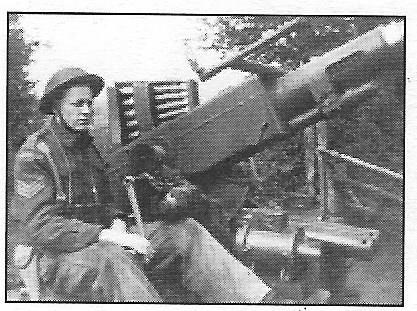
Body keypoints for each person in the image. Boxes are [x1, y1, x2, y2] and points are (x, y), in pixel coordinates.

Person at [11, 67, 329, 303]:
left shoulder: (86, 146)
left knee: (184, 232)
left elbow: (100, 203)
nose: (86, 111)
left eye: (89, 103)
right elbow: (40, 226)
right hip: (52, 258)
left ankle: (260, 302)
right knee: (113, 259)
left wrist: (118, 222)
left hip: (99, 242)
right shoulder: (34, 156)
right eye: (76, 105)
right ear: (55, 108)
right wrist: (105, 234)